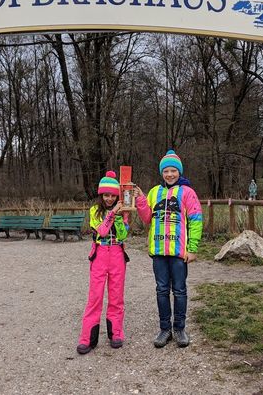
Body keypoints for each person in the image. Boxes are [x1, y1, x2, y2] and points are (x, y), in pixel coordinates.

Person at [134, 150, 203, 348]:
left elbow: (196, 220)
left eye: (173, 171)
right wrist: (140, 199)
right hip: (158, 251)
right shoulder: (155, 192)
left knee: (179, 291)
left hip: (179, 253)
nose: (170, 174)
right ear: (162, 173)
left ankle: (179, 328)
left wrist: (193, 248)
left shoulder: (188, 193)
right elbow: (147, 218)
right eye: (166, 171)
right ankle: (165, 329)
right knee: (161, 290)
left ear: (179, 172)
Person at [77, 171, 130, 354]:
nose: (109, 198)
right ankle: (87, 338)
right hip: (99, 254)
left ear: (117, 195)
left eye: (113, 195)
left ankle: (116, 333)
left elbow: (123, 235)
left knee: (116, 296)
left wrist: (119, 217)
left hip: (117, 254)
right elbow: (102, 231)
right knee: (95, 297)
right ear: (101, 195)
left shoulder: (123, 211)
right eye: (106, 195)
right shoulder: (94, 210)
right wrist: (112, 214)